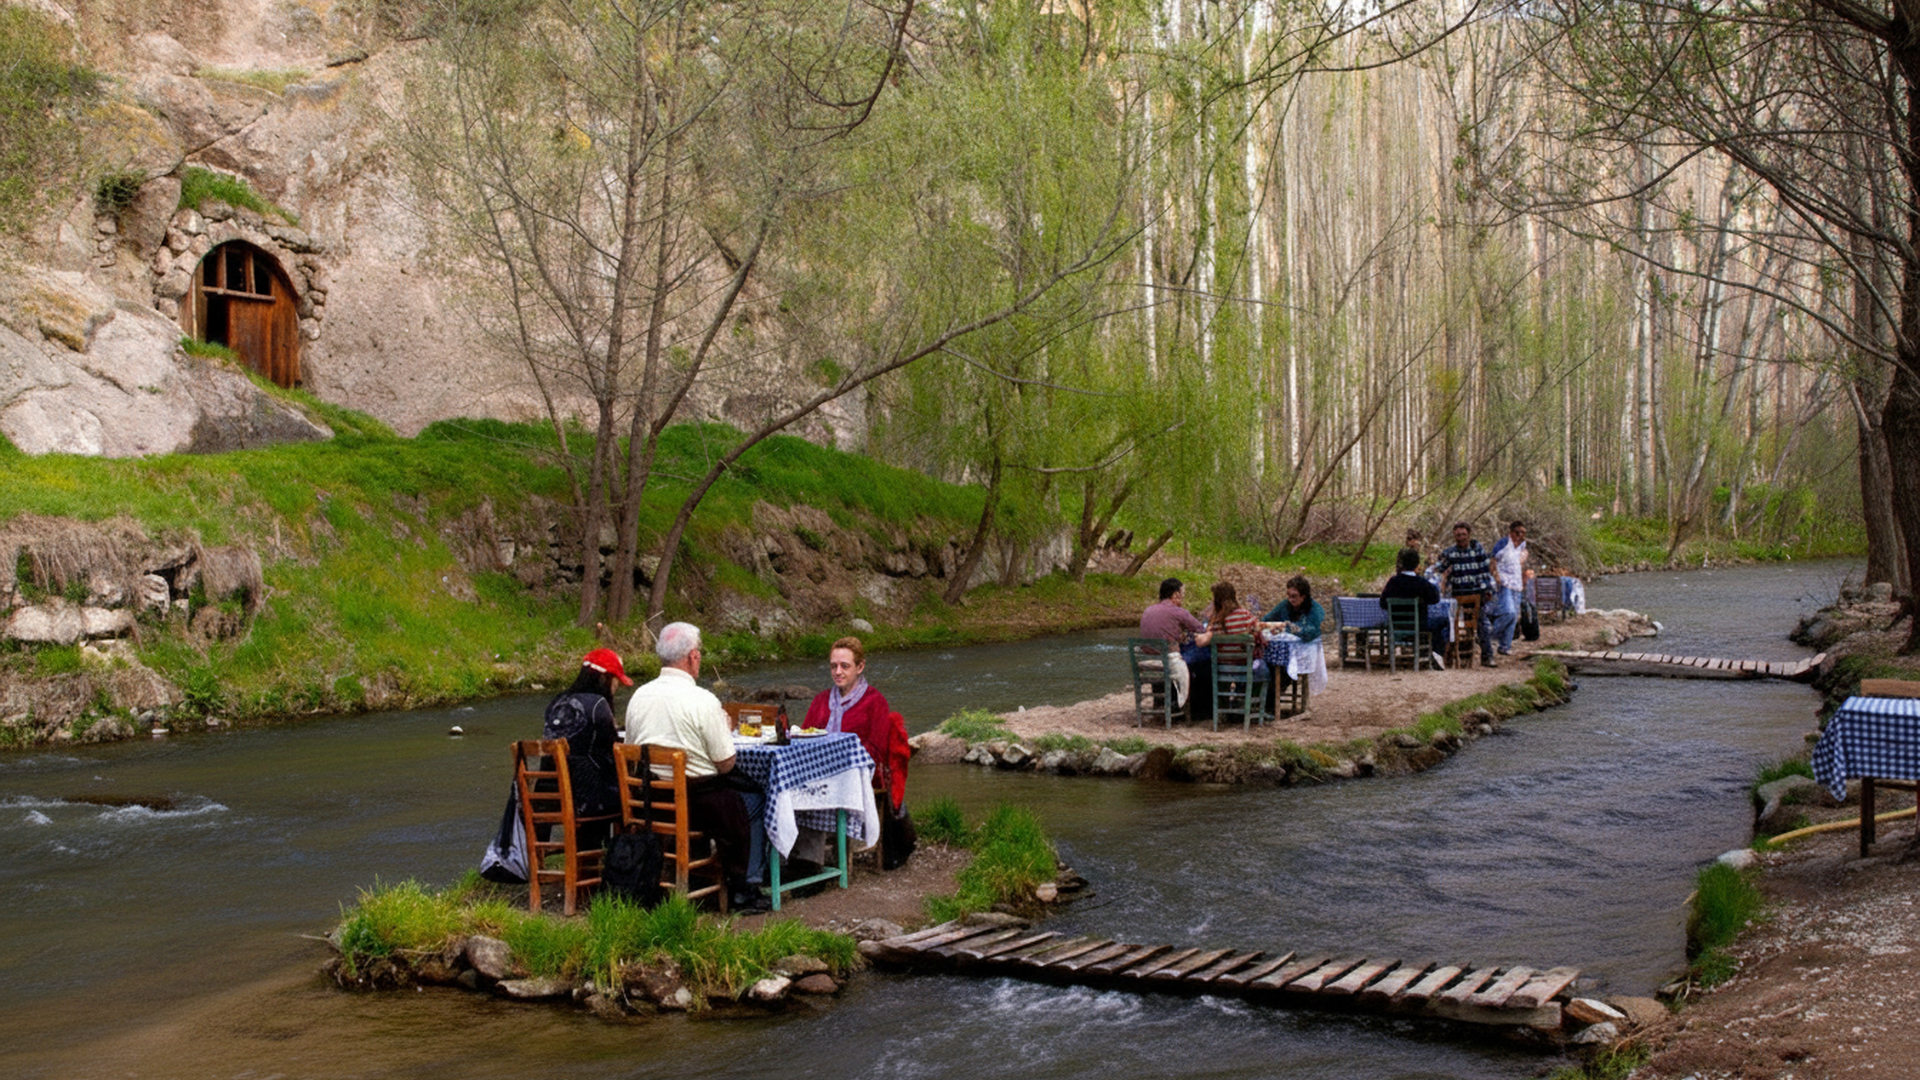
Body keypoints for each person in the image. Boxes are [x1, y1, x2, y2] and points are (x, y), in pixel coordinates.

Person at [623, 622, 770, 912]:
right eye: (699, 652)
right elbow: (726, 764)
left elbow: (630, 750)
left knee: (726, 799)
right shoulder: (703, 701)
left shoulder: (638, 697)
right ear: (693, 657)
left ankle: (693, 874)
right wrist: (724, 732)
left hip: (649, 801)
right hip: (697, 804)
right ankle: (743, 887)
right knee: (754, 799)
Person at [804, 636, 911, 811]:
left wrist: (834, 757)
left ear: (860, 667)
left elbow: (875, 753)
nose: (837, 672)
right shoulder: (820, 701)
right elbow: (804, 737)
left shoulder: (875, 702)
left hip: (860, 782)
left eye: (844, 666)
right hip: (817, 775)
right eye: (833, 666)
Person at [542, 648, 631, 844]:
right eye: (616, 679)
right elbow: (613, 752)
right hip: (587, 801)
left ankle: (585, 858)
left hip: (549, 798)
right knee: (633, 799)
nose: (616, 686)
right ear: (604, 679)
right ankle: (621, 860)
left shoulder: (557, 701)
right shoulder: (598, 704)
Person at [1140, 577, 1211, 710]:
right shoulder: (1178, 612)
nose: (1183, 597)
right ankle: (1196, 705)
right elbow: (1201, 629)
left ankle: (1164, 701)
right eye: (1183, 594)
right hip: (1168, 661)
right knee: (1205, 657)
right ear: (1176, 595)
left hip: (1148, 661)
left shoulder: (1147, 611)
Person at [1437, 522, 1497, 668]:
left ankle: (1487, 656)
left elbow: (1485, 572)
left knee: (1482, 623)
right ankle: (1447, 657)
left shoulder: (1477, 550)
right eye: (1458, 535)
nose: (1461, 538)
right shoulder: (1450, 553)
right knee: (1447, 622)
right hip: (1455, 596)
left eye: (1463, 534)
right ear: (1454, 536)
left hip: (1475, 594)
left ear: (1469, 534)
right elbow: (1439, 569)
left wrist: (1487, 591)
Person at [1379, 547, 1449, 669]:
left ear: (1402, 565)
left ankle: (1426, 653)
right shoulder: (1421, 583)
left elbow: (1383, 603)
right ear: (1417, 565)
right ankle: (1436, 655)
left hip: (1396, 626)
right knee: (1442, 621)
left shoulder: (1393, 582)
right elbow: (1435, 598)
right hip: (1420, 627)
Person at [1262, 575, 1325, 691]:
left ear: (1303, 596)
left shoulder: (1315, 610)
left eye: (1294, 596)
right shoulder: (1285, 605)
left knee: (1283, 669)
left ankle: (1274, 693)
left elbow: (1311, 632)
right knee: (1268, 664)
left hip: (1304, 649)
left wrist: (1290, 627)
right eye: (1289, 596)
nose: (1291, 599)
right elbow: (1266, 619)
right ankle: (1269, 695)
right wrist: (1269, 626)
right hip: (1282, 650)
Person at [1488, 519, 1531, 658]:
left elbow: (1518, 564)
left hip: (1516, 584)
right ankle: (1488, 636)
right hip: (1504, 583)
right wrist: (1496, 577)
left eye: (1522, 533)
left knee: (1514, 616)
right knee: (1509, 612)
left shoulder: (1522, 547)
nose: (1519, 535)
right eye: (1517, 532)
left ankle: (1505, 645)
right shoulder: (1503, 543)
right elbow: (1492, 560)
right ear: (1511, 532)